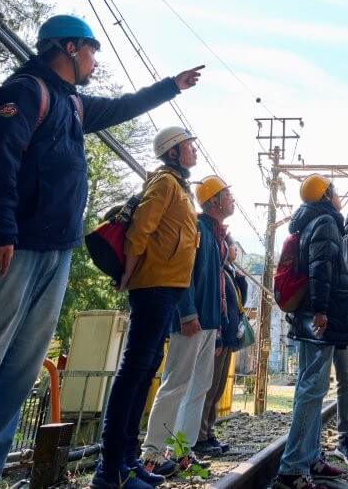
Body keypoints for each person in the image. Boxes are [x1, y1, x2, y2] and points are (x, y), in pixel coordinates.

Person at [0, 15, 202, 489]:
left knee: (18, 375)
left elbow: (123, 106)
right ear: (68, 48)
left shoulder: (74, 105)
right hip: (8, 250)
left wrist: (171, 86)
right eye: (91, 50)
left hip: (54, 254)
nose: (94, 60)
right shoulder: (25, 92)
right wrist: (0, 230)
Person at [91, 129, 204, 488]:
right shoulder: (165, 183)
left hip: (166, 285)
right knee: (134, 370)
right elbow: (142, 227)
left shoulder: (180, 187)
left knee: (145, 369)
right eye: (188, 145)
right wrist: (129, 269)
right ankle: (109, 471)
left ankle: (127, 460)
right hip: (151, 284)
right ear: (172, 152)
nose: (193, 149)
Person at [140, 174, 235, 474]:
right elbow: (182, 270)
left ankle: (182, 449)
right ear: (214, 201)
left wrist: (217, 326)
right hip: (190, 320)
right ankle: (153, 452)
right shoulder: (195, 226)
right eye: (227, 194)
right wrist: (186, 311)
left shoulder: (216, 234)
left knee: (199, 386)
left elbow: (216, 282)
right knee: (176, 384)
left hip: (208, 322)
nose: (232, 199)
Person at [270, 175, 348, 489]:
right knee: (311, 389)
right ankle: (293, 469)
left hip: (310, 316)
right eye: (334, 192)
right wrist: (322, 310)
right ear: (326, 195)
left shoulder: (310, 222)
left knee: (311, 388)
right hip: (320, 317)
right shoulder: (325, 222)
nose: (339, 197)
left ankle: (310, 458)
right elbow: (321, 268)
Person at [197, 237, 248, 456]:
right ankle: (199, 436)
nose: (235, 250)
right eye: (233, 246)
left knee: (217, 389)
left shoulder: (228, 274)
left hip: (228, 339)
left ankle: (209, 432)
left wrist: (242, 282)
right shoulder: (218, 272)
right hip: (219, 338)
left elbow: (238, 304)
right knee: (208, 388)